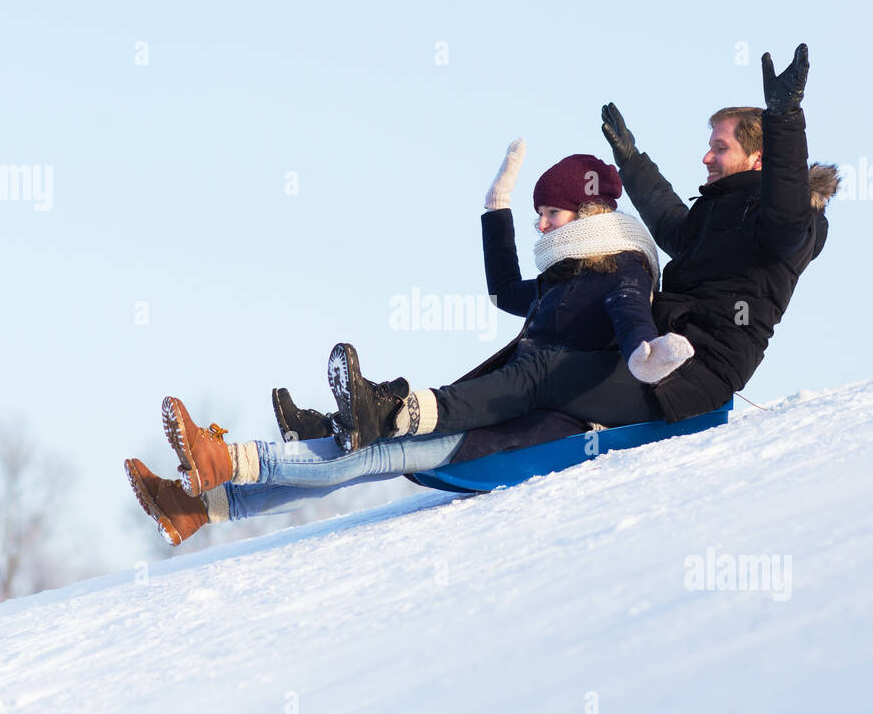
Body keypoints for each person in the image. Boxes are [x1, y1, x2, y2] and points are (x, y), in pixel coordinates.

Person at [125, 147, 692, 545]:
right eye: (537, 214)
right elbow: (505, 293)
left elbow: (632, 320)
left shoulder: (622, 267)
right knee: (360, 450)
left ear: (589, 212)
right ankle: (198, 507)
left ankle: (226, 460)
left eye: (550, 214)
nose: (542, 226)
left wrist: (649, 355)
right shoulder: (567, 273)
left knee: (369, 452)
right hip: (495, 401)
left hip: (525, 429)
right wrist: (496, 210)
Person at [297, 44, 839, 451]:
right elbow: (672, 224)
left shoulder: (790, 226)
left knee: (540, 376)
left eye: (718, 147)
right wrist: (632, 161)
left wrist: (786, 115)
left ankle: (393, 418)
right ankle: (352, 425)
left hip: (693, 375)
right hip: (663, 353)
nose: (705, 157)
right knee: (520, 368)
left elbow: (785, 215)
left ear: (761, 159)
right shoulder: (718, 211)